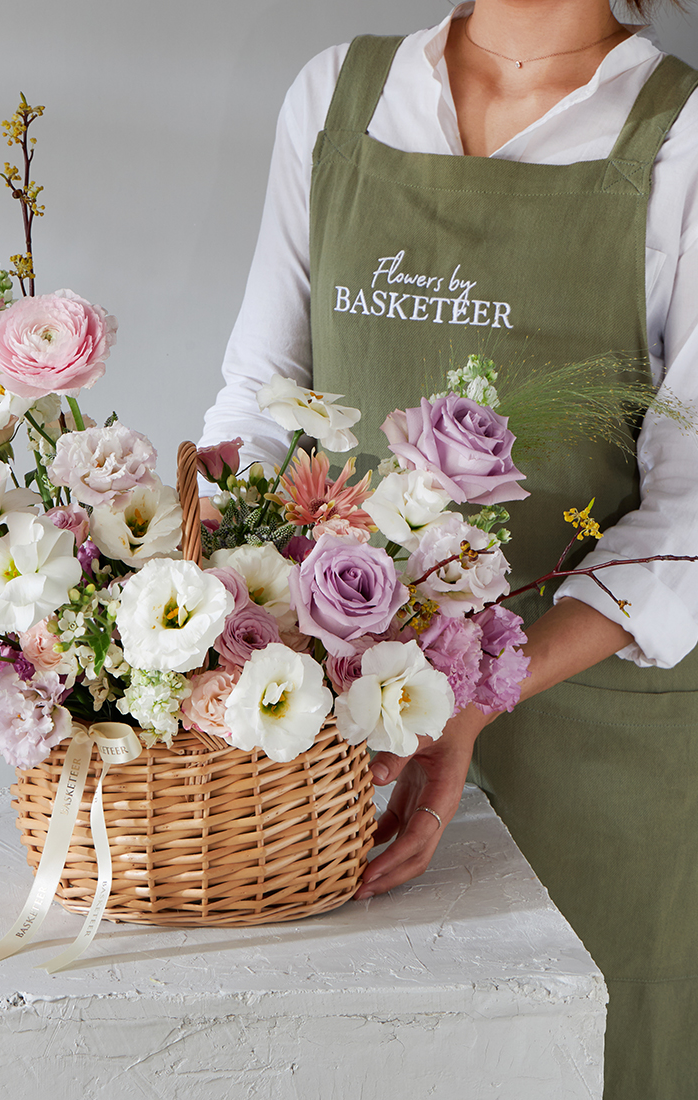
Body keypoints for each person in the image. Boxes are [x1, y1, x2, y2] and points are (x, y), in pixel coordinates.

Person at [198, 2, 698, 1097]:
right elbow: (265, 400)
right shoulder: (342, 96)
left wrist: (468, 701)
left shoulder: (682, 134)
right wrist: (201, 620)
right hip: (348, 738)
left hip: (602, 744)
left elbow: (690, 518)